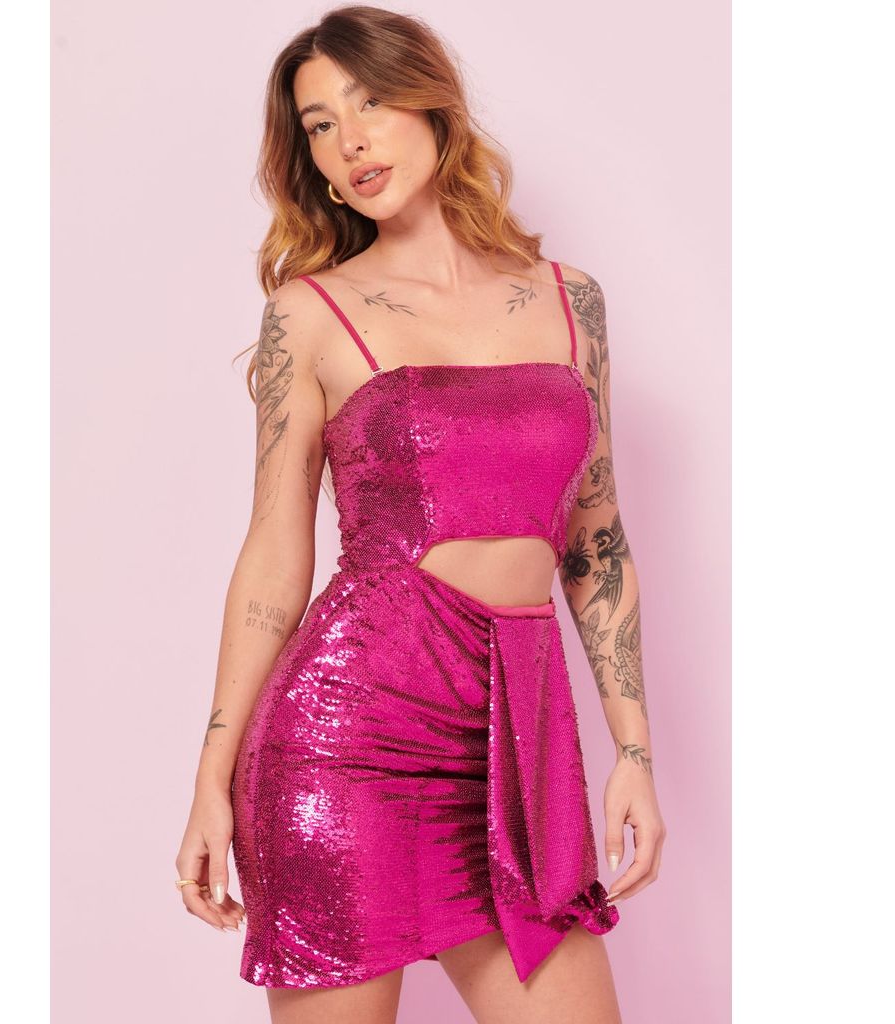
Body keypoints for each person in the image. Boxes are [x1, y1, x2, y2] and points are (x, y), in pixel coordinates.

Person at [175, 5, 665, 1022]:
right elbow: (274, 551)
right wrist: (211, 776)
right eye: (319, 126)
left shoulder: (570, 300)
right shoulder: (310, 313)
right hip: (349, 739)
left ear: (433, 105)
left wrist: (633, 752)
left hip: (520, 740)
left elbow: (596, 536)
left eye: (369, 105)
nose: (348, 142)